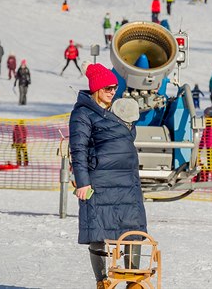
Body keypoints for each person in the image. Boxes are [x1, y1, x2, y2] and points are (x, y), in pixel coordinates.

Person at [69, 63, 147, 288]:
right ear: (95, 89)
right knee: (99, 231)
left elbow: (127, 135)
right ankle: (102, 281)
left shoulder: (114, 110)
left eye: (114, 88)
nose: (112, 92)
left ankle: (133, 281)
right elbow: (78, 149)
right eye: (107, 88)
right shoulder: (82, 113)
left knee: (133, 227)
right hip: (100, 182)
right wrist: (82, 182)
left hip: (126, 181)